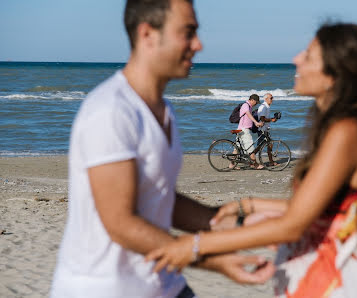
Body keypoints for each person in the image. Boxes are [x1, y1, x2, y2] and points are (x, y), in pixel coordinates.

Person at [147, 22, 357, 297]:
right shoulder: (345, 128)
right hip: (330, 272)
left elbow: (293, 225)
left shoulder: (347, 133)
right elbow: (319, 208)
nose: (296, 59)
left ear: (334, 74)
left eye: (308, 55)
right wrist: (247, 206)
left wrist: (196, 246)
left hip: (339, 280)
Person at [50, 1, 273, 297]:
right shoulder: (110, 111)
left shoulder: (163, 110)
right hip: (104, 288)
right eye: (187, 32)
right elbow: (121, 223)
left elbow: (160, 198)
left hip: (165, 284)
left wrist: (239, 224)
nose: (198, 44)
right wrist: (214, 260)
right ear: (147, 35)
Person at [236, 93, 264, 169]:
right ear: (252, 100)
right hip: (244, 130)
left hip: (241, 129)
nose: (256, 104)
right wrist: (256, 122)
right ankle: (255, 165)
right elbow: (248, 114)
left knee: (237, 148)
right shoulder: (246, 105)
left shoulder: (249, 106)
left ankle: (232, 164)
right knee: (250, 148)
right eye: (256, 102)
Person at [257, 93, 279, 166]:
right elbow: (262, 118)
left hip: (265, 129)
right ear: (266, 99)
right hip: (262, 130)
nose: (272, 99)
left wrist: (272, 119)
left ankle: (271, 161)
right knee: (260, 146)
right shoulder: (263, 107)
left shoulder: (267, 107)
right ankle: (252, 158)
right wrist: (271, 120)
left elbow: (265, 118)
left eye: (272, 98)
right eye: (271, 98)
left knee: (269, 144)